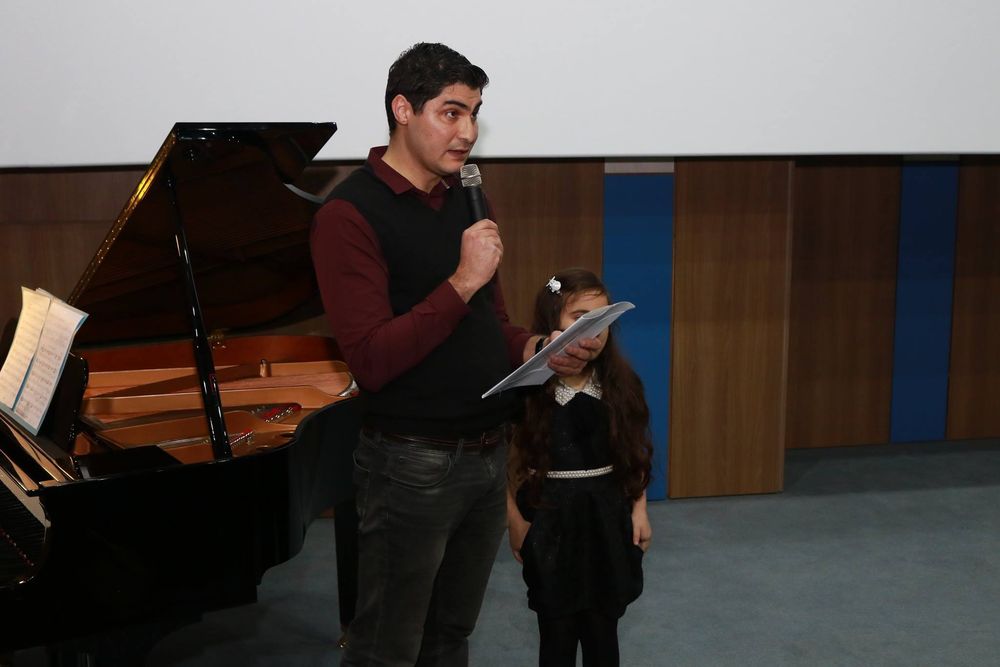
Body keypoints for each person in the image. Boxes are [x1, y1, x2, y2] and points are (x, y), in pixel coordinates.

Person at [310, 43, 600, 666]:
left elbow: (490, 325)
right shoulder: (348, 214)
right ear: (402, 110)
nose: (467, 132)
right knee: (387, 647)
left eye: (474, 113)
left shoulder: (468, 200)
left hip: (488, 454)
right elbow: (371, 359)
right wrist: (462, 280)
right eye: (451, 113)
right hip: (410, 464)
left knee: (450, 636)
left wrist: (538, 348)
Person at [507, 268, 654, 667]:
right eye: (580, 318)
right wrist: (514, 519)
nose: (594, 330)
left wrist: (640, 509)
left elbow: (633, 453)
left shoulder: (621, 384)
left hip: (606, 518)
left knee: (603, 630)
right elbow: (510, 460)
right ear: (552, 321)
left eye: (602, 319)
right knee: (556, 631)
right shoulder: (528, 388)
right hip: (551, 519)